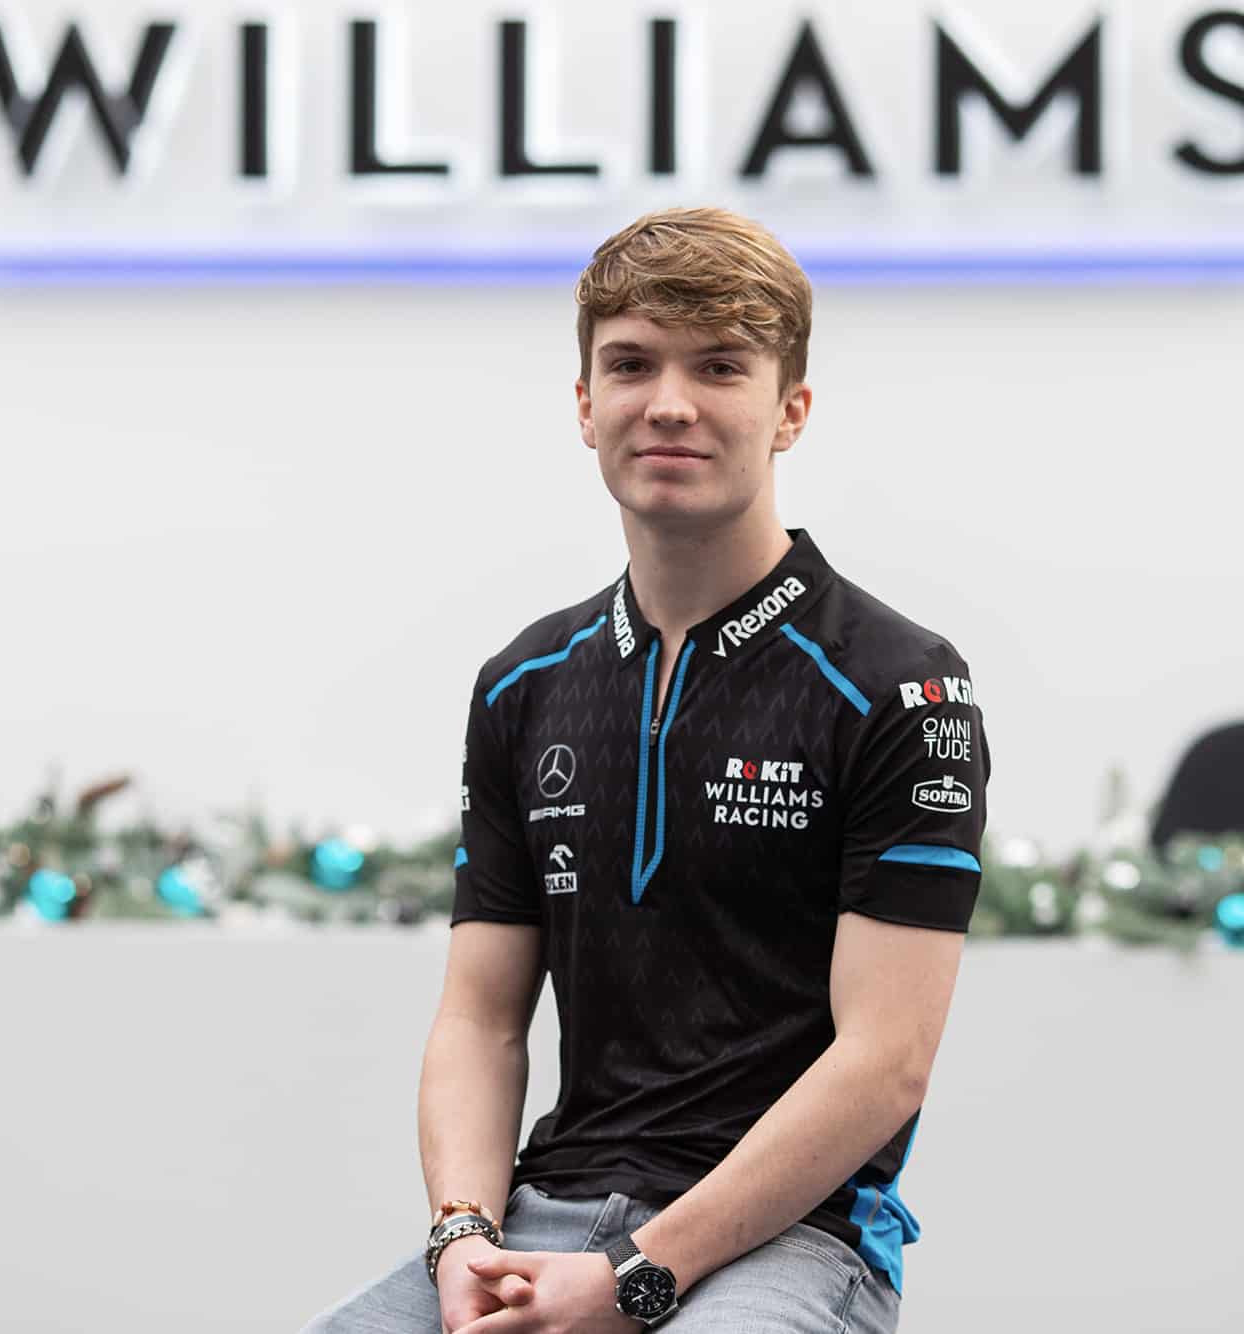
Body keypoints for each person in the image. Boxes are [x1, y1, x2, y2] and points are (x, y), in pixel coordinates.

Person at [299, 207, 989, 1333]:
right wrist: (462, 1232)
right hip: (540, 1216)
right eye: (630, 363)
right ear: (584, 405)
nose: (669, 401)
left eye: (719, 366)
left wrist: (638, 1273)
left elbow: (885, 1062)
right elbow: (478, 1020)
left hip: (789, 1242)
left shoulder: (899, 686)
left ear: (790, 411)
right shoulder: (526, 683)